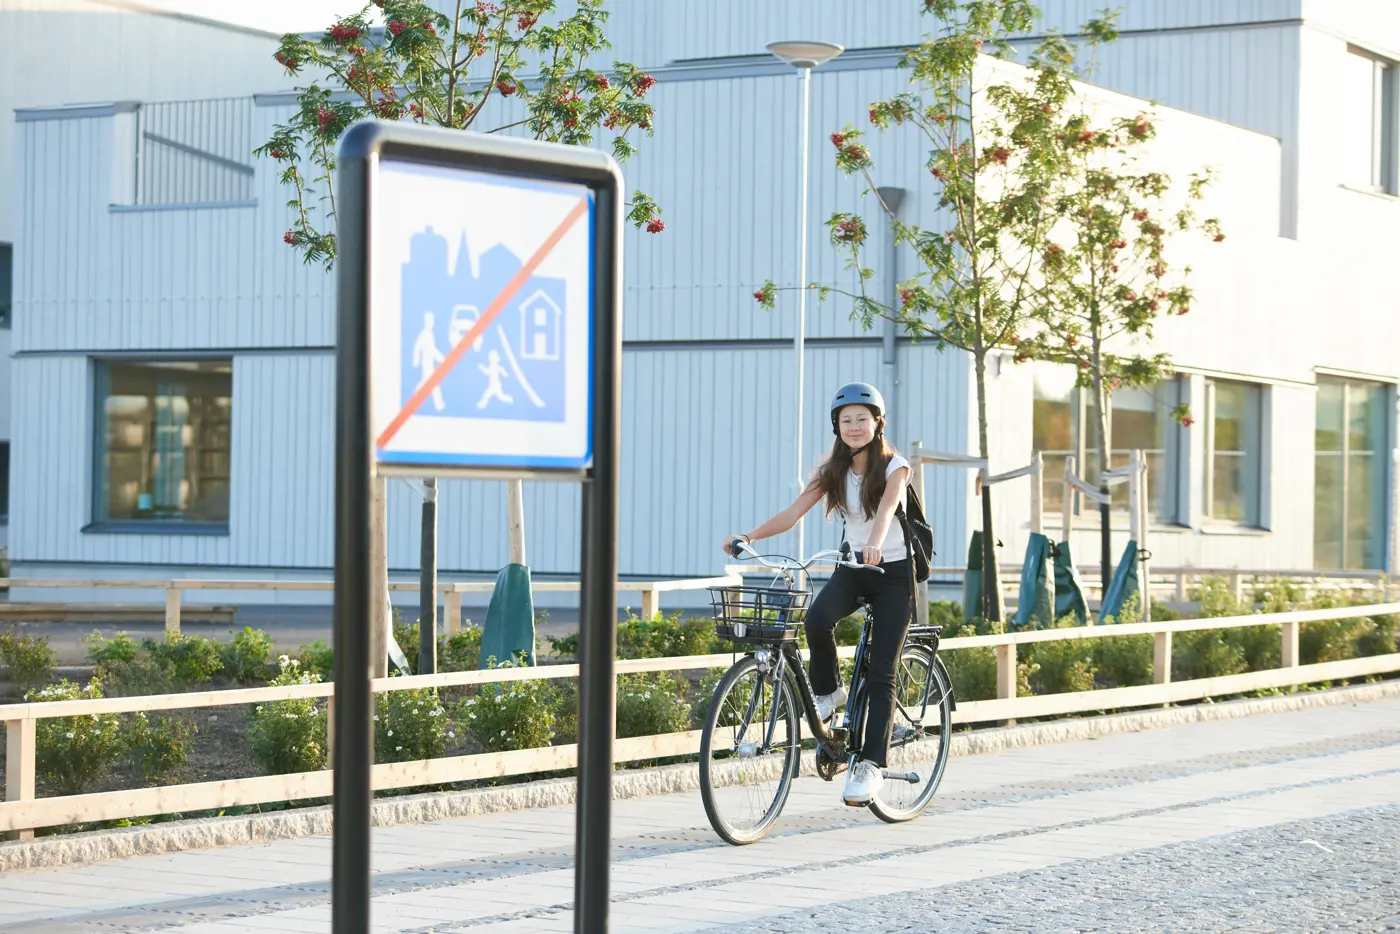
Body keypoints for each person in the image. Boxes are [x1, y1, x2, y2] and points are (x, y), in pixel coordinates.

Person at [723, 382, 913, 806]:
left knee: (882, 672)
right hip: (853, 567)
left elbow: (885, 512)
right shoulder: (832, 472)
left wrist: (876, 544)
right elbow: (793, 514)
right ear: (836, 426)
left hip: (892, 573)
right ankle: (830, 692)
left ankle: (870, 765)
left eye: (862, 419)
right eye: (846, 421)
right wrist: (748, 536)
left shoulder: (895, 466)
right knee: (815, 618)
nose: (854, 427)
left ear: (877, 422)